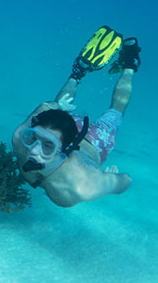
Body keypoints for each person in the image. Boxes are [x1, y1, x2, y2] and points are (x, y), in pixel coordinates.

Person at [11, 26, 142, 207]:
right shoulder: (20, 138)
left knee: (116, 110)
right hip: (62, 130)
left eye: (47, 146)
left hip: (96, 142)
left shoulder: (86, 185)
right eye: (32, 137)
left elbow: (126, 180)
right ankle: (77, 72)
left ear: (67, 151)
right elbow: (44, 108)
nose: (33, 149)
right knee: (57, 110)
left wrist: (108, 181)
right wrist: (58, 107)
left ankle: (129, 63)